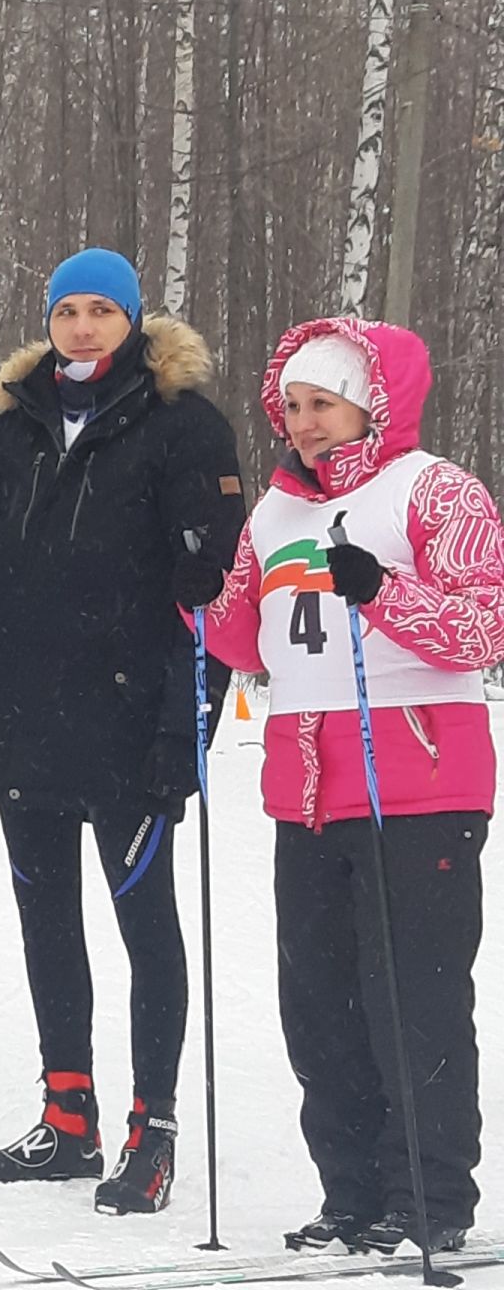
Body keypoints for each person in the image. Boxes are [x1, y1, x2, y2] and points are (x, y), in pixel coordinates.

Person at [0, 247, 244, 1214]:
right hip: (25, 715)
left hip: (129, 718)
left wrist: (184, 726)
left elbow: (215, 597)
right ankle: (68, 1117)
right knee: (45, 921)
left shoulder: (184, 425)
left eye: (103, 310)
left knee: (144, 923)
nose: (82, 327)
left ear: (134, 321)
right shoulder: (18, 427)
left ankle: (155, 1128)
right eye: (68, 310)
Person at [193, 318, 501, 1255]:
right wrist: (195, 594)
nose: (305, 422)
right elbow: (245, 640)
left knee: (414, 996)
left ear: (371, 404)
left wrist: (384, 593)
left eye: (322, 403)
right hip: (307, 790)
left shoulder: (436, 491)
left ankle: (430, 1194)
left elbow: (484, 630)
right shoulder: (276, 512)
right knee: (320, 1006)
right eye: (292, 406)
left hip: (421, 784)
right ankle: (352, 1194)